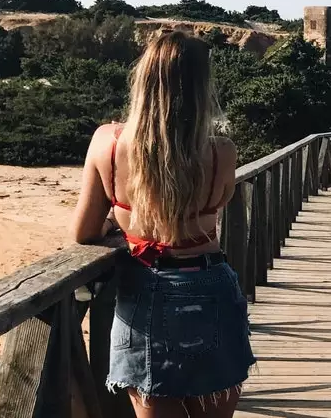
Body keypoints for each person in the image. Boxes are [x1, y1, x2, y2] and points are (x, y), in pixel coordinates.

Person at [71, 31, 252, 418]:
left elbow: (83, 233)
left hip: (146, 289)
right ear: (202, 87)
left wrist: (113, 227)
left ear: (143, 78)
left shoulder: (108, 141)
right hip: (210, 286)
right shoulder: (221, 151)